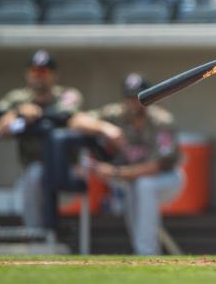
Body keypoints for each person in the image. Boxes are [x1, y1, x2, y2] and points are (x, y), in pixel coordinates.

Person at [68, 73, 182, 255]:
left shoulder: (161, 121)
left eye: (139, 96)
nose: (133, 101)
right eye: (129, 96)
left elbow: (157, 166)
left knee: (144, 185)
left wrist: (114, 173)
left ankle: (147, 254)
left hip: (167, 179)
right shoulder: (115, 114)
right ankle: (144, 254)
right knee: (135, 193)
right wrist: (105, 128)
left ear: (152, 96)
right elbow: (75, 120)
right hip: (130, 181)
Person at [0, 50, 83, 228]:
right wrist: (18, 112)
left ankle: (43, 236)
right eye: (35, 72)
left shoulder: (67, 94)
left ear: (54, 75)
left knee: (36, 175)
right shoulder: (18, 98)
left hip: (66, 169)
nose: (39, 77)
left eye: (44, 72)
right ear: (28, 75)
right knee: (34, 174)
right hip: (33, 171)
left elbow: (66, 113)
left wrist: (36, 113)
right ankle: (36, 237)